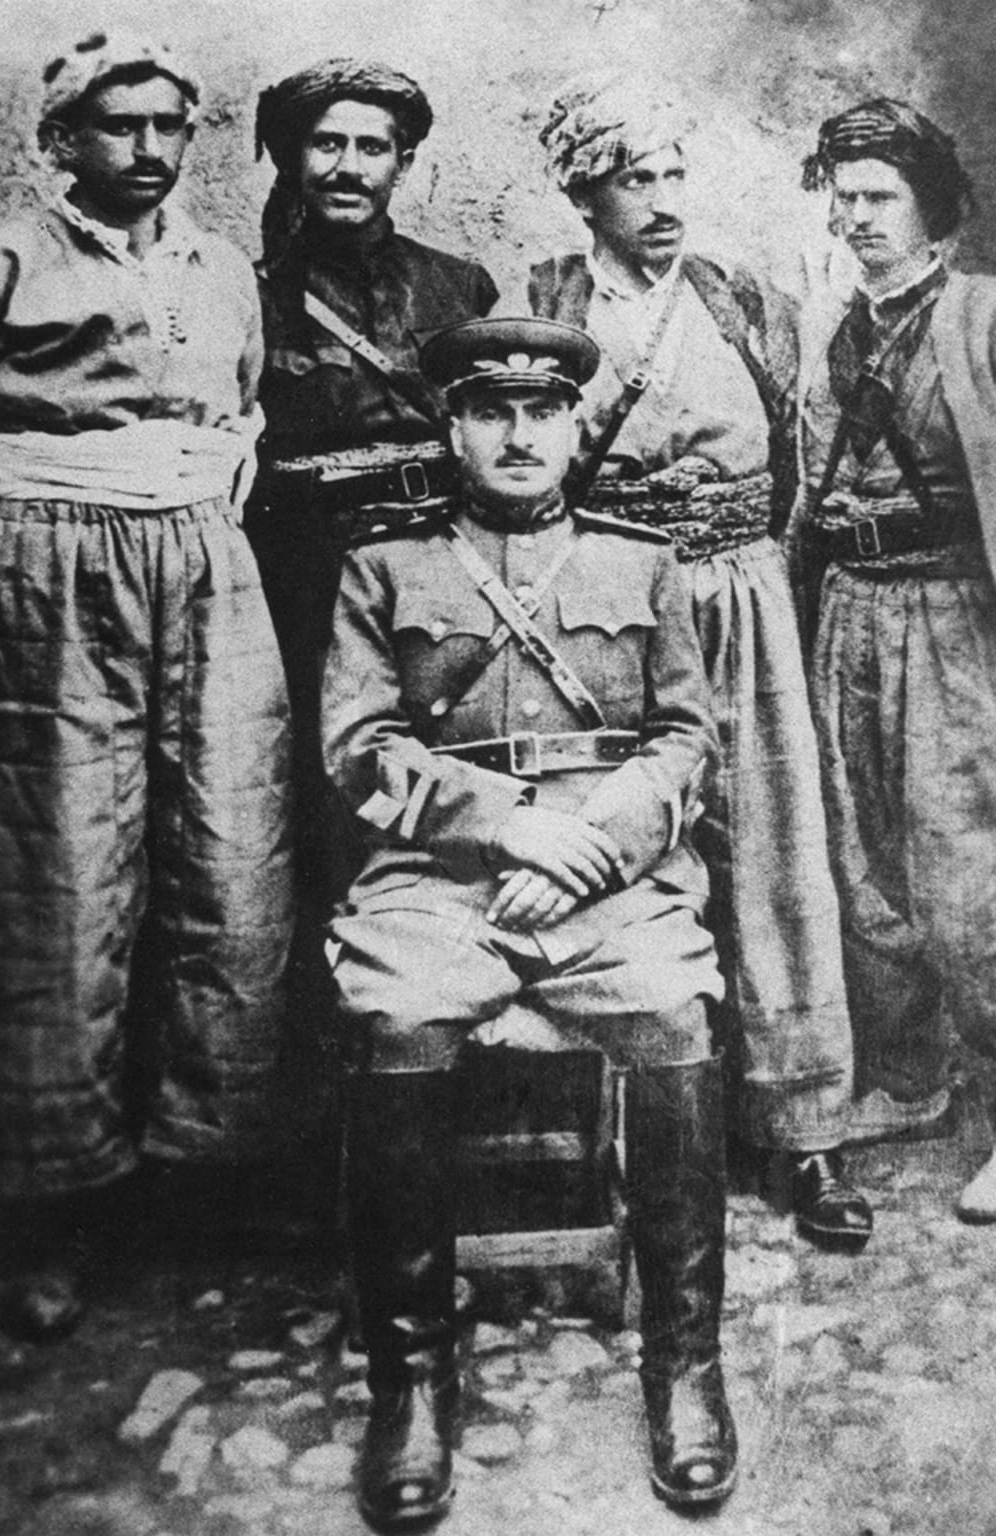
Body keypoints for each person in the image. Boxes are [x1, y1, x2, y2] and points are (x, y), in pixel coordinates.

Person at [321, 316, 738, 1525]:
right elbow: (360, 744)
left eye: (540, 413)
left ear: (572, 428)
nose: (516, 435)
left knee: (672, 1006)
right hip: (443, 871)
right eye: (490, 413)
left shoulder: (638, 559)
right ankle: (412, 1381)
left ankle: (685, 1366)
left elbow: (686, 739)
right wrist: (508, 825)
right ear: (452, 428)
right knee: (392, 1010)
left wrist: (592, 843)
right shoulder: (384, 567)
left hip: (610, 875)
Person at [0, 32, 293, 1339]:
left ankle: (203, 1179)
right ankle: (48, 1207)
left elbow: (244, 414)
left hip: (205, 569)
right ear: (62, 139)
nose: (150, 150)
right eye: (120, 125)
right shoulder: (3, 253)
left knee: (228, 848)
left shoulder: (220, 268)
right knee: (58, 874)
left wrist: (203, 496)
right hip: (44, 577)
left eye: (172, 126)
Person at [529, 76, 872, 1249]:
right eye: (634, 178)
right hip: (610, 607)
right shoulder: (545, 303)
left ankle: (802, 1131)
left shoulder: (745, 304)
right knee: (620, 840)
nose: (662, 201)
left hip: (742, 591)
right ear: (583, 192)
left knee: (777, 846)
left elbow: (800, 459)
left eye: (674, 173)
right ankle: (638, 1142)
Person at [797, 99, 996, 1213]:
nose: (856, 213)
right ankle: (909, 1078)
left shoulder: (978, 318)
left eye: (879, 195)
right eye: (844, 194)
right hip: (846, 609)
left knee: (966, 874)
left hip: (951, 612)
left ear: (933, 209)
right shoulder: (830, 327)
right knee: (858, 860)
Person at [246, 58, 498, 903]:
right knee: (324, 780)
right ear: (291, 156)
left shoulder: (459, 285)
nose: (349, 166)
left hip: (434, 572)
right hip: (305, 573)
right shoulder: (252, 294)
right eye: (326, 144)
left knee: (444, 768)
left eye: (372, 146)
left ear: (405, 161)